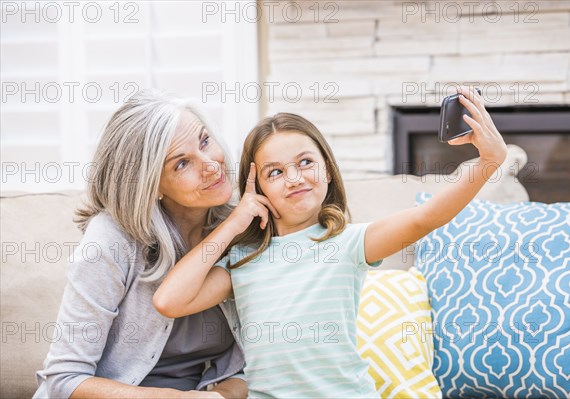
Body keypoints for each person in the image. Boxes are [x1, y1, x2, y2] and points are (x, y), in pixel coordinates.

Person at [153, 87, 508, 398]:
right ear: (256, 189)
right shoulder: (243, 260)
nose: (294, 178)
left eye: (305, 162)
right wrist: (233, 223)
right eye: (275, 172)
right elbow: (169, 301)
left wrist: (489, 161)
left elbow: (424, 217)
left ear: (326, 169)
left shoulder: (349, 242)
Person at [33, 90, 248, 399]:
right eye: (181, 164)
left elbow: (253, 365)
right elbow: (64, 380)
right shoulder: (110, 241)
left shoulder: (242, 224)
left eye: (204, 141)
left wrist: (220, 395)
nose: (211, 165)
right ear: (151, 185)